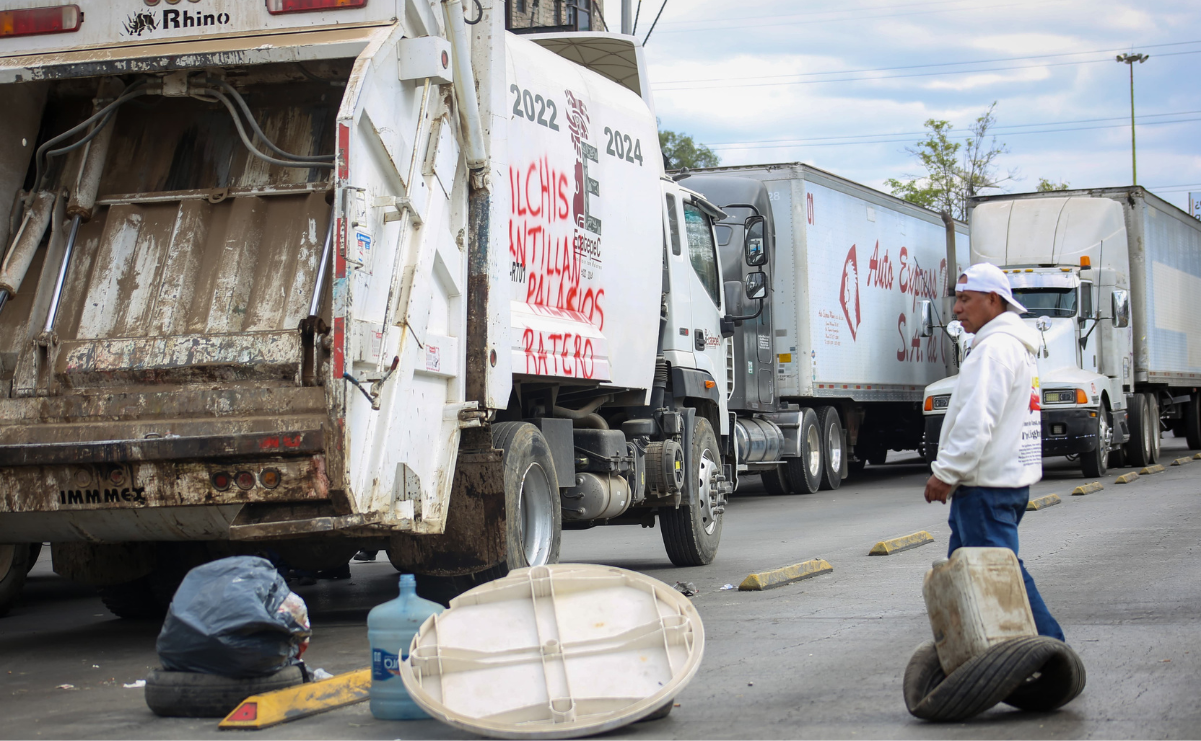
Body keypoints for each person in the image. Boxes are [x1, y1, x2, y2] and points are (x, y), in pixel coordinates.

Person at [924, 262, 1065, 642]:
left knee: (1002, 575)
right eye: (956, 299)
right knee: (965, 576)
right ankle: (979, 653)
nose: (956, 309)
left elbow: (976, 420)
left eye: (965, 299)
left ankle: (1051, 652)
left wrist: (945, 473)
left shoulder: (995, 350)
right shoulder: (1009, 346)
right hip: (999, 485)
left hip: (986, 490)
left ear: (992, 300)